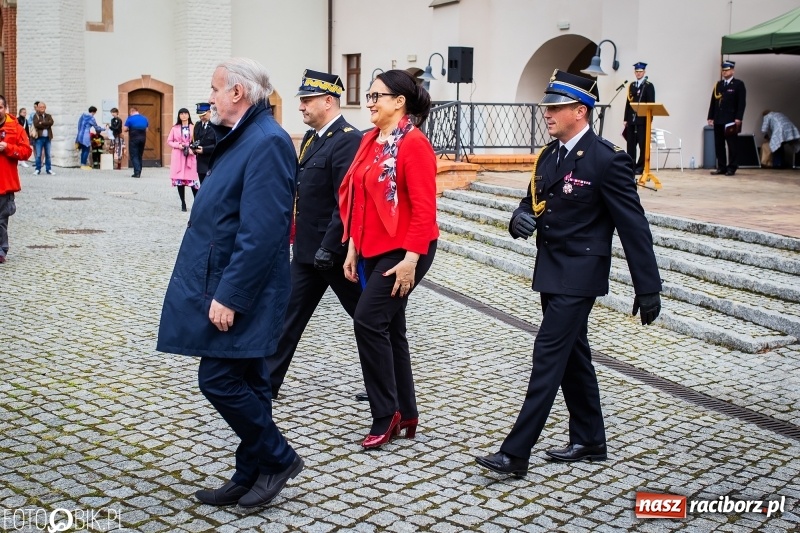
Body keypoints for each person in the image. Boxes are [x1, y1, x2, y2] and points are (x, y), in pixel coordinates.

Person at [475, 70, 662, 477]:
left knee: (548, 354)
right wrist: (518, 219)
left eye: (556, 107)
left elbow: (634, 227)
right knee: (575, 357)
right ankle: (590, 439)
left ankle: (516, 452)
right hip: (551, 269)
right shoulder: (549, 156)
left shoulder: (608, 159)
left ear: (581, 111)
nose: (548, 113)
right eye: (548, 106)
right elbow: (530, 203)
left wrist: (648, 288)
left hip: (581, 274)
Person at [156, 57, 301, 508]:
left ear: (238, 93)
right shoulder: (243, 135)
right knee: (253, 381)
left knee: (219, 379)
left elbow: (262, 233)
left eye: (216, 89)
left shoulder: (267, 141)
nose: (211, 97)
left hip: (244, 290)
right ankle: (248, 472)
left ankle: (277, 459)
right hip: (225, 280)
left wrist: (231, 296)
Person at [339, 70, 439, 449]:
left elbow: (425, 209)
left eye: (377, 95)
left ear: (400, 102)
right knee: (391, 328)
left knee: (367, 320)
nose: (369, 101)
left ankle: (386, 412)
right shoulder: (371, 141)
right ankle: (407, 411)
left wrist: (412, 260)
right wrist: (352, 248)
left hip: (407, 250)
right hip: (372, 249)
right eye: (368, 94)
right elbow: (360, 200)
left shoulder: (413, 144)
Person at [267, 69, 363, 400]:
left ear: (328, 100)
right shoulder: (312, 138)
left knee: (368, 316)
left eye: (307, 101)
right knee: (288, 314)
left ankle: (386, 384)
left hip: (334, 253)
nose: (301, 107)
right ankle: (267, 382)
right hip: (309, 250)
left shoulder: (349, 139)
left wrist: (331, 246)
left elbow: (346, 199)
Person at [0, 95, 34, 264]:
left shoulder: (15, 127)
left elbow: (26, 152)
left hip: (4, 182)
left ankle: (1, 250)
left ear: (5, 108)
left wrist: (8, 148)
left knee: (1, 219)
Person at [708, 60, 746, 176]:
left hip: (730, 119)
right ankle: (722, 167)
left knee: (732, 144)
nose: (724, 72)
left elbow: (741, 103)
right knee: (719, 144)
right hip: (719, 119)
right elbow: (713, 102)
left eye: (727, 70)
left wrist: (738, 117)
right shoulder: (719, 85)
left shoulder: (738, 84)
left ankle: (732, 167)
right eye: (723, 70)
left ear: (732, 70)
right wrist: (710, 117)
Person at [623, 62, 655, 174]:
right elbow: (628, 103)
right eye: (636, 72)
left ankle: (640, 167)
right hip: (632, 119)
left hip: (643, 119)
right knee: (631, 143)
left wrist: (649, 118)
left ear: (644, 72)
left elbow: (651, 103)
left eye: (640, 71)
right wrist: (625, 118)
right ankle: (631, 166)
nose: (638, 73)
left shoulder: (648, 85)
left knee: (643, 144)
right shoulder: (632, 85)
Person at [167, 108, 199, 211]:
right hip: (179, 155)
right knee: (180, 180)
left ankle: (197, 203)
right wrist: (178, 145)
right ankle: (183, 203)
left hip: (190, 155)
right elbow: (169, 141)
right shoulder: (175, 128)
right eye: (181, 114)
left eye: (185, 113)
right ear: (179, 116)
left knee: (192, 180)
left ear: (189, 115)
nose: (184, 115)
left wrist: (192, 148)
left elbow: (198, 140)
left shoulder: (194, 127)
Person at [192, 103, 217, 184]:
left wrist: (204, 150)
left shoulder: (216, 126)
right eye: (200, 115)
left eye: (203, 115)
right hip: (200, 162)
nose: (201, 117)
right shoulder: (198, 125)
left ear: (209, 112)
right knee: (202, 186)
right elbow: (194, 140)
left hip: (211, 161)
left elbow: (218, 145)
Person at [124, 106, 149, 178]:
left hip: (134, 138)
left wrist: (130, 129)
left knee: (134, 155)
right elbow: (147, 129)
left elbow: (125, 129)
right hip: (143, 138)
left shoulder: (130, 118)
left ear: (132, 111)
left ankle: (137, 172)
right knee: (139, 155)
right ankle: (139, 170)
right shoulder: (144, 118)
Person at [32, 101, 55, 175]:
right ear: (38, 108)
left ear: (45, 108)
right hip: (39, 138)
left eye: (43, 107)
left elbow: (51, 123)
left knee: (48, 155)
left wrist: (42, 123)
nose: (42, 108)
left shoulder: (48, 116)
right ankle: (37, 169)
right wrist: (46, 124)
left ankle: (49, 169)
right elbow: (36, 125)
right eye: (40, 107)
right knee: (38, 155)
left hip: (47, 138)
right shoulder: (36, 116)